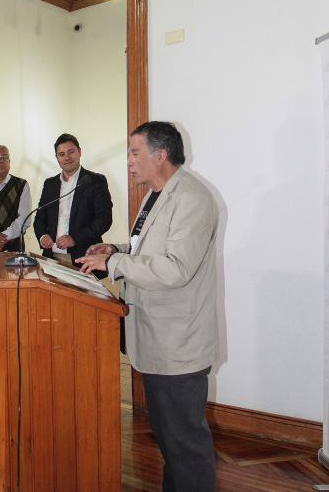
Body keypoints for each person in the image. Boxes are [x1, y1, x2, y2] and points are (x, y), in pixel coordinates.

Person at [77, 121, 219, 492]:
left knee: (185, 445)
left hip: (177, 344)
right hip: (154, 338)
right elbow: (147, 249)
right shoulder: (154, 194)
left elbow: (177, 268)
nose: (128, 161)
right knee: (171, 443)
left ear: (161, 155)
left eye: (134, 152)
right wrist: (117, 250)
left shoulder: (192, 198)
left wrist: (114, 265)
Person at [34, 134, 113, 268]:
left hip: (84, 256)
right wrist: (42, 236)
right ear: (57, 158)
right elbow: (39, 218)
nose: (67, 158)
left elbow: (104, 220)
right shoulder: (50, 184)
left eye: (71, 152)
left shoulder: (95, 181)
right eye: (62, 154)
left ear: (79, 152)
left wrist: (75, 238)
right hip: (52, 257)